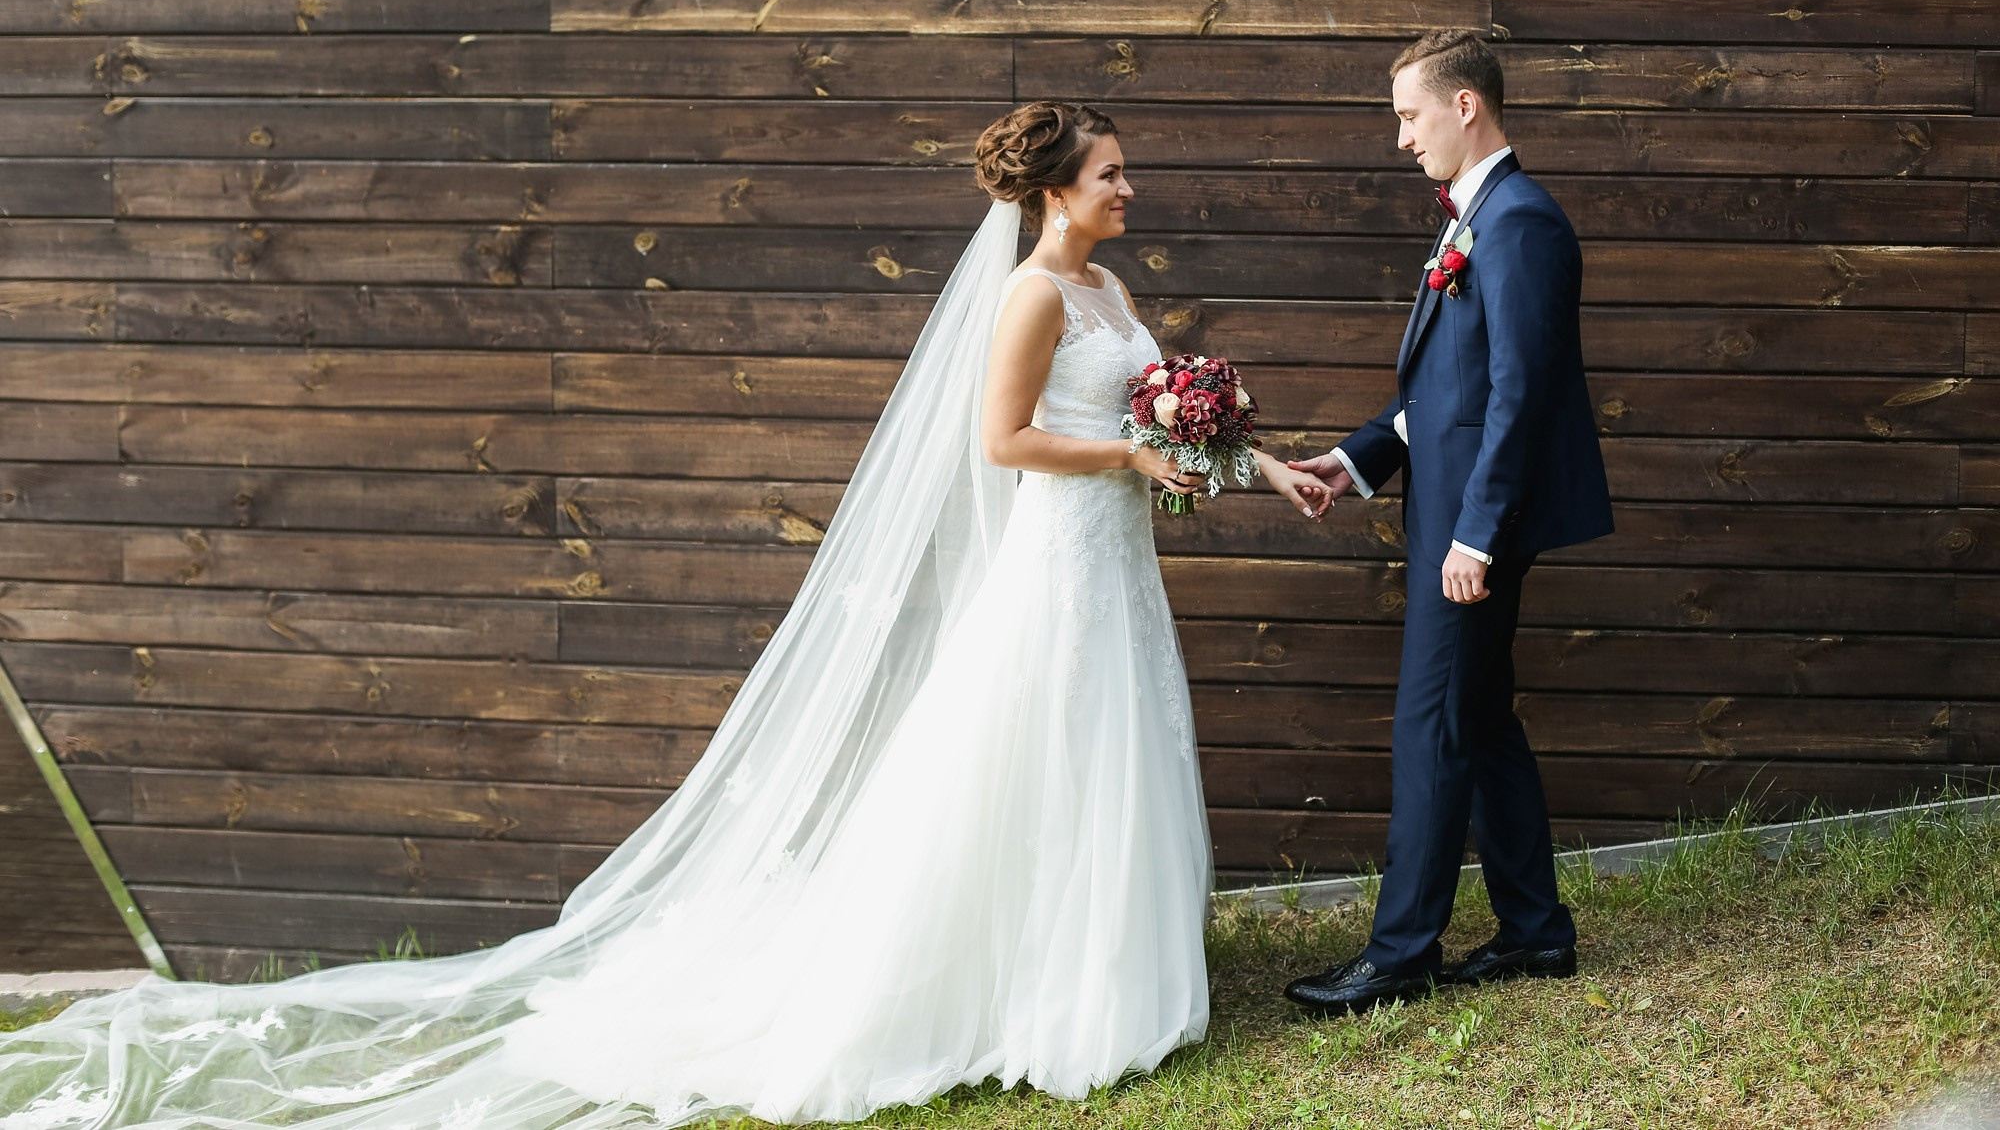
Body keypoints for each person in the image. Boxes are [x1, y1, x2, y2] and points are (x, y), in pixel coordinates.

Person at [0, 101, 1324, 1128]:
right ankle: (1041, 1000)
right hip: (1060, 564)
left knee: (1117, 757)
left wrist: (1256, 461)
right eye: (1112, 174)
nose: (1129, 189)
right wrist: (1131, 460)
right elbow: (1004, 442)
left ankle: (1121, 987)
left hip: (1119, 563)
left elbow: (1162, 411)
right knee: (1040, 765)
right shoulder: (1034, 293)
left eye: (1125, 174)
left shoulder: (1113, 294)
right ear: (1056, 193)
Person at [1283, 30, 1614, 1016]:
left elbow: (1520, 393)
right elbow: (1448, 391)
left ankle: (1398, 954)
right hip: (1451, 508)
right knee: (1477, 718)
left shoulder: (1516, 223)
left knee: (1430, 725)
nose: (1400, 138)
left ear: (1463, 105)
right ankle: (1533, 931)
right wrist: (1353, 460)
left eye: (1408, 115)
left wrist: (1474, 533)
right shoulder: (1473, 218)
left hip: (1472, 524)